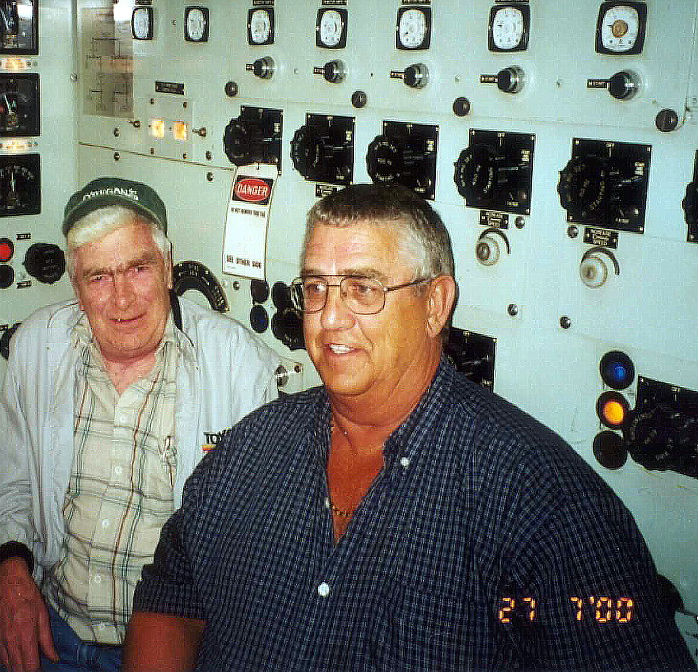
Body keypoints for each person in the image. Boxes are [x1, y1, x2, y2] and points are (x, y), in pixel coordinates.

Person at [124, 183, 696, 671]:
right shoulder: (251, 447)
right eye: (316, 287)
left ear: (435, 304)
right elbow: (173, 593)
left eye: (363, 289)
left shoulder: (544, 503)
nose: (328, 317)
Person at [0, 177, 281, 672]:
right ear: (76, 286)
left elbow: (259, 543)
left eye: (138, 268)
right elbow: (12, 484)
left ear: (168, 268)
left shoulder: (240, 366)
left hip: (174, 651)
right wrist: (9, 571)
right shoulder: (37, 347)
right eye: (98, 277)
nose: (121, 299)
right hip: (50, 632)